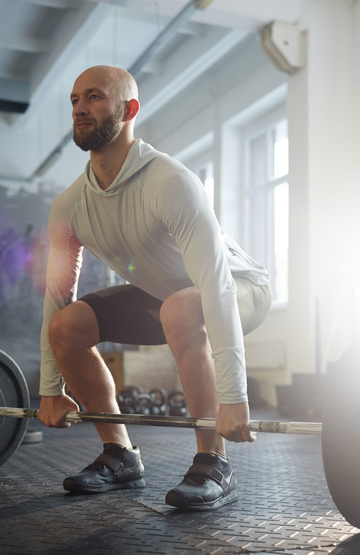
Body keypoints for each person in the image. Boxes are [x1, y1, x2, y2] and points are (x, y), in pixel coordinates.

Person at [36, 65, 271, 511]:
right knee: (67, 326)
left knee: (183, 308)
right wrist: (50, 387)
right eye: (74, 100)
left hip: (240, 287)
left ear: (129, 109)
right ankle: (120, 454)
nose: (80, 108)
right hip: (168, 296)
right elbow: (55, 297)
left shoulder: (170, 181)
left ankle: (214, 462)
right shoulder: (69, 206)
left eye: (94, 97)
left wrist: (235, 398)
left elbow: (216, 286)